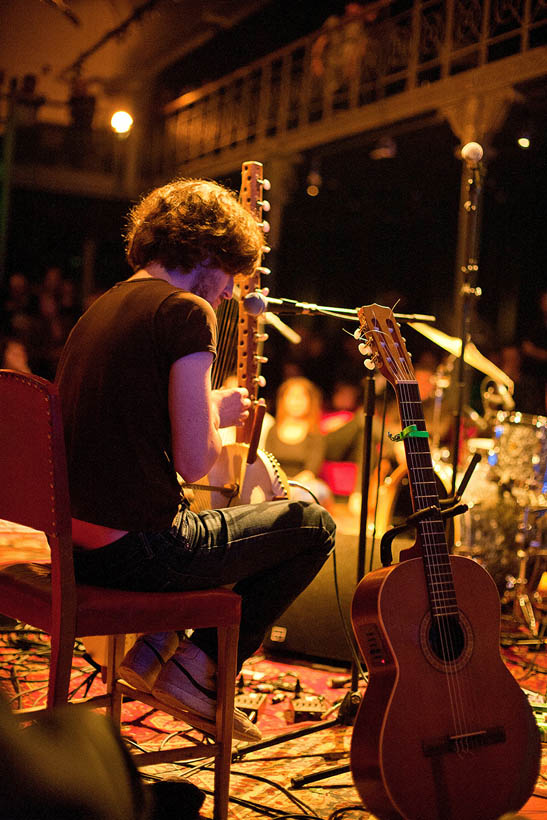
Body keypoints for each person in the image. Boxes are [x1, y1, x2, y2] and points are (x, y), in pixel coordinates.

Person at [55, 178, 336, 742]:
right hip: (138, 553)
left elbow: (128, 414)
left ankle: (156, 651)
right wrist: (213, 420)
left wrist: (206, 404)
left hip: (75, 549)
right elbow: (195, 463)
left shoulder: (103, 306)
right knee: (310, 522)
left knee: (233, 529)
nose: (231, 293)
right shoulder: (185, 312)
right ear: (207, 252)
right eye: (231, 274)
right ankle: (197, 668)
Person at [264, 376, 333, 508]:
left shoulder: (314, 433)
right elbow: (267, 464)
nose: (296, 401)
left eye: (301, 397)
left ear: (309, 401)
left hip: (303, 485)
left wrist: (290, 486)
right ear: (283, 400)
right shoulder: (273, 429)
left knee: (307, 494)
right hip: (275, 484)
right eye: (291, 396)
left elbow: (311, 471)